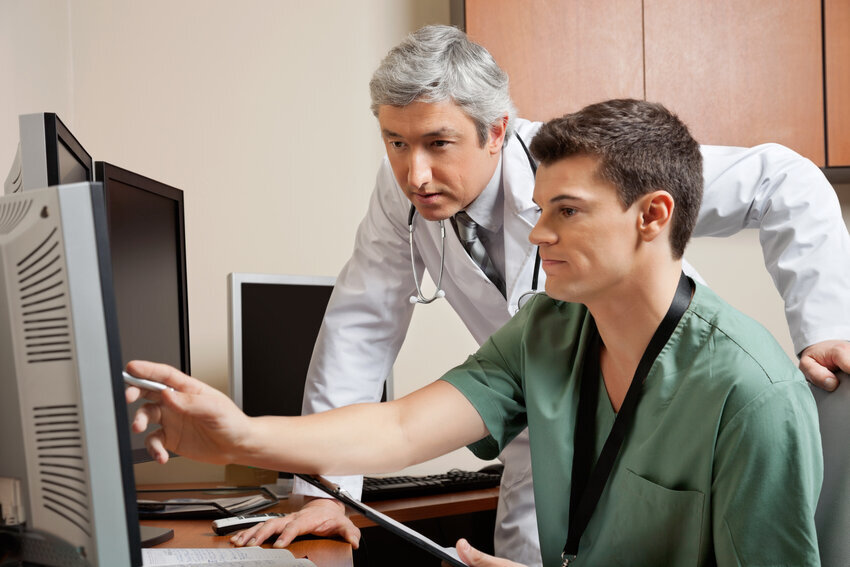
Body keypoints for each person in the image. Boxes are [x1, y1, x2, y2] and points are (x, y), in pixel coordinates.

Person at [240, 24, 849, 566]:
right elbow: (362, 333)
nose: (414, 174)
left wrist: (828, 326)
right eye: (395, 142)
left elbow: (782, 179)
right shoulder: (520, 319)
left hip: (667, 403)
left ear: (497, 130)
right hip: (544, 419)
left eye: (437, 143)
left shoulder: (590, 169)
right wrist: (327, 494)